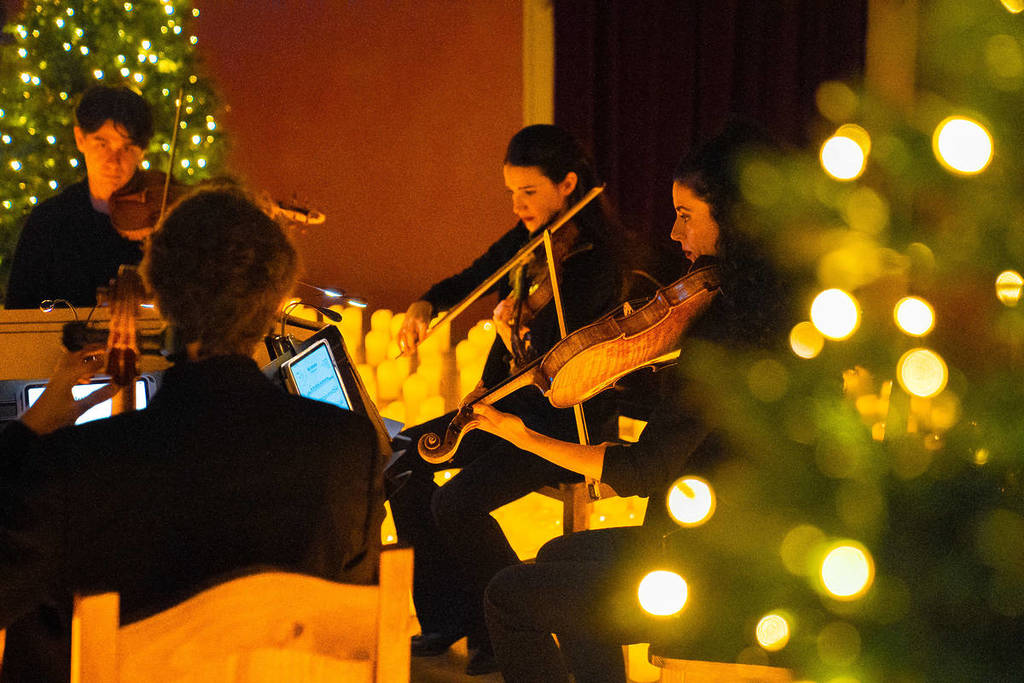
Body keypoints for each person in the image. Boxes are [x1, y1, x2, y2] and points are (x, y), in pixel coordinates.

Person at [0, 186, 385, 682]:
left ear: (158, 295)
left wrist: (28, 435)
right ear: (274, 302)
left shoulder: (80, 467)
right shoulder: (349, 449)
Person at [475, 125, 793, 682]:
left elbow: (643, 470)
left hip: (700, 569)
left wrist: (520, 435)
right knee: (555, 552)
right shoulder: (767, 310)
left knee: (509, 595)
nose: (673, 232)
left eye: (686, 215)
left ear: (736, 220)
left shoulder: (726, 337)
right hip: (733, 544)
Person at [388, 124, 623, 674]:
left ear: (568, 184)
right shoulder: (529, 239)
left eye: (529, 192)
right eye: (511, 193)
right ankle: (450, 615)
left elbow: (558, 363)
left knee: (456, 503)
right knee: (402, 460)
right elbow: (471, 276)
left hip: (562, 423)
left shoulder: (596, 260)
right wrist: (426, 302)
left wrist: (510, 330)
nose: (518, 206)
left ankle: (508, 620)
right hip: (506, 407)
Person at [4, 85, 154, 309]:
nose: (114, 161)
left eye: (127, 148)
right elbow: (19, 310)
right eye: (102, 144)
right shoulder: (48, 221)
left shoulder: (162, 223)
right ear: (80, 139)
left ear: (142, 151)